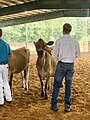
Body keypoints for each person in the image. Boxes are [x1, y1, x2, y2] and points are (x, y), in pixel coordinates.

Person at [50, 23, 80, 112]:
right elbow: (78, 54)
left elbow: (54, 55)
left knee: (56, 85)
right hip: (70, 65)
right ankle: (67, 105)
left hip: (61, 64)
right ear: (70, 31)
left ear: (63, 30)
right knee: (68, 85)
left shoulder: (59, 41)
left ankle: (54, 105)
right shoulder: (75, 41)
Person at [0, 28, 12, 106]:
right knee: (5, 82)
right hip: (5, 65)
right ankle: (9, 98)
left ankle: (1, 101)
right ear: (1, 35)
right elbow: (10, 54)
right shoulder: (6, 44)